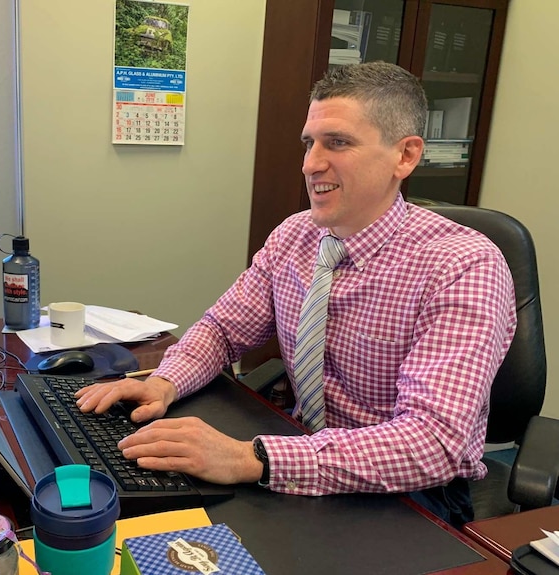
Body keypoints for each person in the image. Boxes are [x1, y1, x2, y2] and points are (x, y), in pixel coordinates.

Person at [75, 61, 517, 528]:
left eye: (338, 142)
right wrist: (164, 381)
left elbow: (433, 443)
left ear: (404, 157)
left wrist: (251, 459)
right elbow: (223, 330)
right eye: (309, 143)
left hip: (408, 494)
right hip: (296, 449)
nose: (310, 164)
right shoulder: (295, 236)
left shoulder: (463, 265)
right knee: (150, 518)